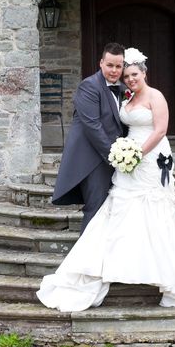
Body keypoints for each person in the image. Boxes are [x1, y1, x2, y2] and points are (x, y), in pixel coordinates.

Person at [38, 47, 175, 311]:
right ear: (102, 63)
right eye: (120, 70)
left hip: (148, 158)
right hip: (118, 158)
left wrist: (137, 153)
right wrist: (120, 154)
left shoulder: (154, 95)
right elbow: (98, 125)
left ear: (143, 72)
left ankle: (162, 273)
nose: (126, 77)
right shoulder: (109, 92)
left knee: (152, 211)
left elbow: (161, 129)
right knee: (115, 209)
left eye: (130, 72)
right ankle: (101, 267)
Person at [51, 42, 128, 231]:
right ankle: (86, 259)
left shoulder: (124, 88)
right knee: (96, 208)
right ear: (101, 63)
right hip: (92, 161)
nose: (114, 70)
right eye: (110, 65)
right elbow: (93, 126)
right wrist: (115, 157)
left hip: (113, 158)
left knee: (113, 209)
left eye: (118, 66)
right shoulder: (89, 86)